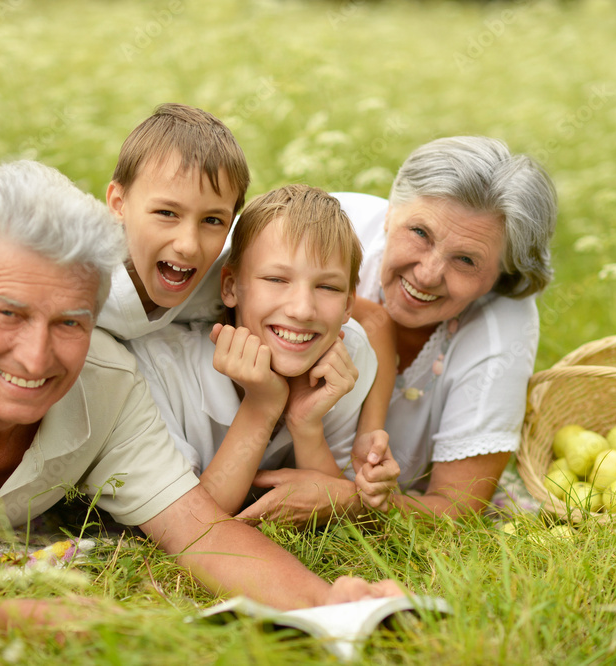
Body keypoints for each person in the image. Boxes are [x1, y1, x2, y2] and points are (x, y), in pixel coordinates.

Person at [0, 161, 401, 629]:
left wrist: (329, 603)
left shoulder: (109, 382)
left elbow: (201, 530)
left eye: (70, 323)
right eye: (9, 314)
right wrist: (32, 619)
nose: (36, 357)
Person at [0, 104, 394, 475]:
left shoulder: (227, 269)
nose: (188, 243)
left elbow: (365, 318)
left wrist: (369, 431)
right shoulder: (79, 267)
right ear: (117, 204)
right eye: (165, 214)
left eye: (213, 220)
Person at [237, 136, 557, 525]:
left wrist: (346, 501)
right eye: (420, 233)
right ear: (390, 212)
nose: (428, 274)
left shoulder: (502, 327)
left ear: (500, 276)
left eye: (466, 259)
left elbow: (458, 509)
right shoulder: (321, 234)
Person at [128, 185, 400, 517]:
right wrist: (261, 405)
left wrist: (306, 425)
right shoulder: (159, 364)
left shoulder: (347, 357)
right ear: (230, 287)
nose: (302, 310)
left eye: (327, 287)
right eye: (276, 279)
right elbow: (188, 523)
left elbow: (336, 500)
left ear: (347, 305)